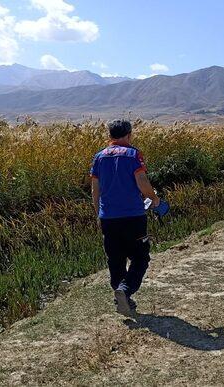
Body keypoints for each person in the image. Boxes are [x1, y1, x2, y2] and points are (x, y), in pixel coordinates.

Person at [90, 120, 160, 316]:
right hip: (133, 216)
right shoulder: (133, 154)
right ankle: (125, 290)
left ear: (110, 136)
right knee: (140, 257)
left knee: (115, 258)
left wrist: (98, 214)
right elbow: (141, 180)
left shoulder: (99, 157)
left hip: (108, 217)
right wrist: (153, 198)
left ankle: (122, 298)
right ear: (129, 135)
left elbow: (95, 190)